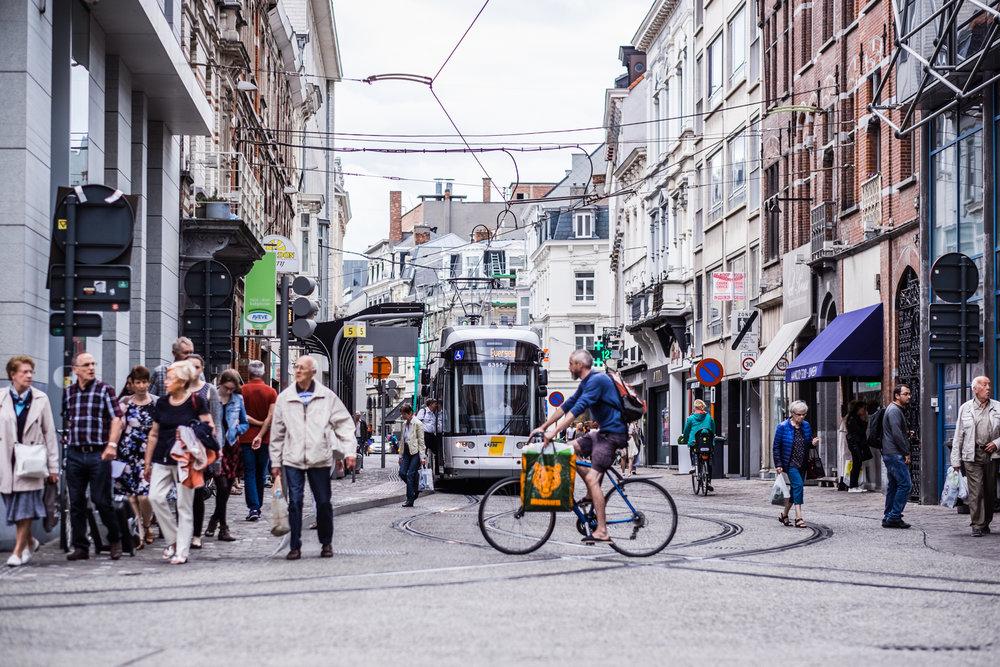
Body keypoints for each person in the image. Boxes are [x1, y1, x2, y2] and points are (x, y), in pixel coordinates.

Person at [531, 350, 629, 545]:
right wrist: (543, 427)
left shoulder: (597, 380)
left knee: (593, 478)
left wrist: (553, 433)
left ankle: (602, 531)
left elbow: (577, 410)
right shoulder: (586, 382)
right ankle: (591, 495)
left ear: (579, 364)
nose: (568, 367)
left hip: (613, 435)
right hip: (600, 434)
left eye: (570, 363)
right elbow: (568, 405)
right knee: (566, 450)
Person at [270, 356, 355, 560]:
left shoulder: (327, 397)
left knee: (323, 502)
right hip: (293, 458)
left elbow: (344, 424)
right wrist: (275, 462)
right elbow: (277, 432)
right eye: (296, 367)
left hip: (320, 457)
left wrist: (350, 451)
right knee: (295, 502)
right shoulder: (285, 397)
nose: (297, 371)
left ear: (312, 372)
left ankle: (326, 542)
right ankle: (295, 546)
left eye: (302, 368)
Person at [144, 360, 214, 565]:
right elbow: (154, 434)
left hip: (186, 460)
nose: (165, 381)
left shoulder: (195, 402)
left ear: (182, 380)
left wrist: (195, 437)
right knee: (155, 497)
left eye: (170, 377)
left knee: (184, 506)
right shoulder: (163, 403)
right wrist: (147, 462)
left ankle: (182, 550)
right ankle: (173, 539)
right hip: (162, 458)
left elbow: (208, 426)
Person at [64, 352, 125, 561]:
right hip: (74, 453)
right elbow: (69, 419)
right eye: (86, 364)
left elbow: (117, 419)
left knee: (101, 500)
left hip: (99, 453)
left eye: (93, 364)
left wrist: (112, 445)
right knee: (76, 502)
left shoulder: (104, 390)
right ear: (75, 370)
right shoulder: (69, 392)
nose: (91, 367)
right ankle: (81, 546)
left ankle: (115, 539)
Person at [1, 356, 59, 566]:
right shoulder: (1, 398)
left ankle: (17, 552)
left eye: (31, 372)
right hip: (6, 463)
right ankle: (30, 541)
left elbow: (49, 433)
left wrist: (53, 467)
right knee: (13, 509)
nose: (29, 376)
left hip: (31, 461)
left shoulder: (40, 398)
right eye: (24, 372)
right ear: (12, 375)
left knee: (25, 507)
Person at [950, 376, 999, 537]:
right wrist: (955, 460)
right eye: (984, 385)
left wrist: (997, 443)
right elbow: (958, 435)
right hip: (971, 455)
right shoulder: (965, 408)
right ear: (975, 389)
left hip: (991, 454)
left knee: (990, 491)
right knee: (976, 491)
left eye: (989, 385)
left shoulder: (997, 407)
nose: (988, 388)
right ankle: (977, 524)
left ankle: (986, 522)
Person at [117, 366, 157, 548]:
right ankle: (138, 531)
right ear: (131, 384)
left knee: (145, 496)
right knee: (131, 496)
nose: (142, 386)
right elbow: (117, 427)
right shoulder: (124, 402)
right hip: (127, 454)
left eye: (144, 382)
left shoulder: (156, 403)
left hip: (148, 455)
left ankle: (147, 524)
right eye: (138, 382)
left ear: (149, 383)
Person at [207, 369, 249, 542]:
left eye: (232, 389)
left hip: (232, 447)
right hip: (217, 447)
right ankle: (223, 528)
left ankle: (214, 520)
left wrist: (237, 430)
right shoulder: (212, 398)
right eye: (226, 388)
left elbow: (245, 423)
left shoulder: (238, 399)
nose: (229, 392)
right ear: (221, 383)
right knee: (222, 486)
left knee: (225, 490)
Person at [188, 354, 223, 549]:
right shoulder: (178, 388)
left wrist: (216, 453)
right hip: (180, 449)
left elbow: (216, 422)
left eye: (197, 366)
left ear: (202, 368)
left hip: (200, 449)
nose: (193, 370)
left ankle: (196, 534)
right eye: (189, 366)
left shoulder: (209, 390)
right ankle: (182, 530)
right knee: (180, 495)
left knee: (197, 492)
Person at [772, 400, 819, 529]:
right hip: (790, 462)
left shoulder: (806, 426)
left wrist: (813, 443)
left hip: (803, 463)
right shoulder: (782, 427)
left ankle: (784, 514)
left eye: (804, 414)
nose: (802, 417)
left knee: (795, 489)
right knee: (798, 486)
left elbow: (808, 443)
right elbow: (776, 447)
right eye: (799, 414)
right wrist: (778, 464)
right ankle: (799, 517)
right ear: (792, 413)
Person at [243, 360, 277, 522]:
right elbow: (271, 418)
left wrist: (254, 423)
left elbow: (242, 416)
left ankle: (253, 507)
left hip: (245, 438)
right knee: (260, 472)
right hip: (265, 439)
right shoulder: (271, 392)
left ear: (248, 373)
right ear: (263, 373)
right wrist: (263, 427)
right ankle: (258, 505)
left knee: (249, 472)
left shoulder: (242, 391)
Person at [882, 385, 914, 529]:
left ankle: (888, 516)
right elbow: (895, 434)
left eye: (909, 394)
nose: (909, 396)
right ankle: (894, 516)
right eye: (905, 394)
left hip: (890, 452)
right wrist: (905, 452)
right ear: (897, 395)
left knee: (894, 485)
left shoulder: (894, 410)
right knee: (905, 484)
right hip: (895, 453)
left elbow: (896, 431)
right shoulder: (894, 411)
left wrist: (906, 434)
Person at [681, 399, 716, 491]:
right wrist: (713, 436)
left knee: (693, 451)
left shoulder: (691, 418)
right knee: (708, 461)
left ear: (694, 408)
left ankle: (693, 465)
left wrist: (685, 439)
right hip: (707, 442)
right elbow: (713, 428)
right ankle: (708, 481)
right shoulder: (708, 417)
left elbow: (686, 431)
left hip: (695, 442)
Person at [398, 404, 426, 508]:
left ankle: (410, 499)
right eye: (402, 414)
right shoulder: (405, 424)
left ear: (410, 413)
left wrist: (422, 457)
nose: (403, 416)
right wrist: (400, 456)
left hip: (415, 452)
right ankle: (415, 487)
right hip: (406, 451)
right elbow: (402, 440)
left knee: (410, 475)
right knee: (402, 473)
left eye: (404, 414)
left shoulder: (418, 423)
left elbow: (421, 441)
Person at [844, 400, 871, 492]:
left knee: (858, 463)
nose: (864, 411)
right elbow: (860, 431)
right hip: (855, 443)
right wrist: (865, 421)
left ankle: (854, 485)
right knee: (856, 463)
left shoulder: (855, 418)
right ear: (858, 409)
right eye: (863, 409)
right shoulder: (853, 418)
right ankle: (852, 486)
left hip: (856, 443)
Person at [416, 398, 443, 473]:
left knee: (437, 451)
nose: (436, 405)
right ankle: (419, 469)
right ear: (430, 404)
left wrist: (440, 410)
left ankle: (437, 470)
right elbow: (417, 422)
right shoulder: (423, 411)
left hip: (431, 435)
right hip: (424, 435)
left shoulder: (434, 413)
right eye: (435, 404)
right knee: (422, 452)